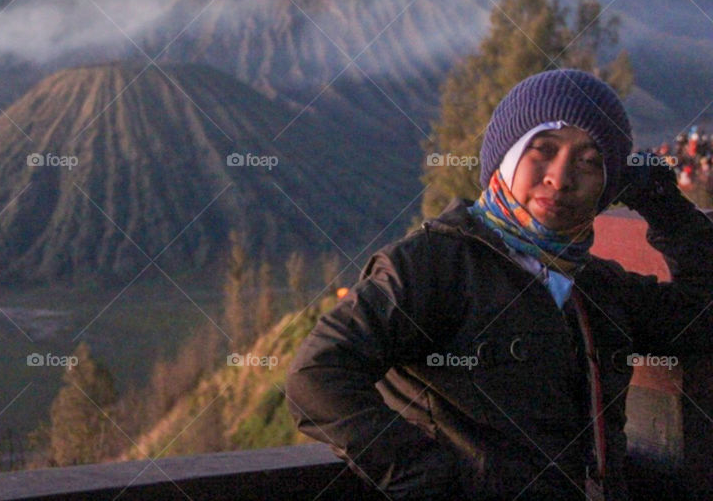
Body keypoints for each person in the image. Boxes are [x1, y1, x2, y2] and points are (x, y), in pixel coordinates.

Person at [286, 69, 713, 500]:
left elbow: (702, 315)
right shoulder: (435, 264)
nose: (560, 178)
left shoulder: (596, 288)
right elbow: (318, 374)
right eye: (542, 151)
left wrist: (668, 212)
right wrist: (424, 477)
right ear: (504, 156)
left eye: (590, 161)